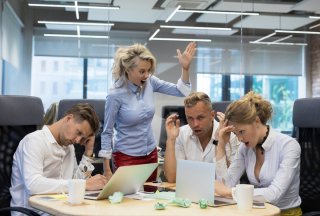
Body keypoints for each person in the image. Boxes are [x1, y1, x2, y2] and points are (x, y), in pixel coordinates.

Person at [99, 42, 197, 181]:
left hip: (150, 154)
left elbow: (182, 91)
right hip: (126, 157)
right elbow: (107, 132)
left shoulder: (150, 82)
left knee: (150, 197)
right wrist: (107, 169)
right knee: (129, 200)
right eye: (142, 71)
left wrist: (185, 68)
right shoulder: (115, 95)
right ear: (128, 69)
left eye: (148, 71)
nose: (146, 75)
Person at [215, 91, 302, 215]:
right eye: (236, 133)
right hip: (256, 211)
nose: (239, 138)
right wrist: (221, 145)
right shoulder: (245, 147)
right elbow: (226, 184)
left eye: (241, 131)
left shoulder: (288, 146)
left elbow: (274, 194)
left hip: (285, 213)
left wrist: (230, 192)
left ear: (256, 121)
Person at [10, 103, 107, 211]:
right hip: (32, 212)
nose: (78, 141)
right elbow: (33, 185)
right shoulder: (34, 141)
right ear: (69, 119)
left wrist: (88, 153)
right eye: (78, 132)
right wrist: (84, 184)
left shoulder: (69, 147)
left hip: (59, 210)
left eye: (83, 138)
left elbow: (74, 182)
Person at [164, 92, 239, 183]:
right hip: (190, 194)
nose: (195, 124)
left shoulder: (230, 136)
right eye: (190, 118)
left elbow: (230, 181)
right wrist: (171, 140)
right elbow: (172, 178)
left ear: (212, 115)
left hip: (218, 195)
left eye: (200, 118)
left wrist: (219, 142)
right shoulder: (181, 134)